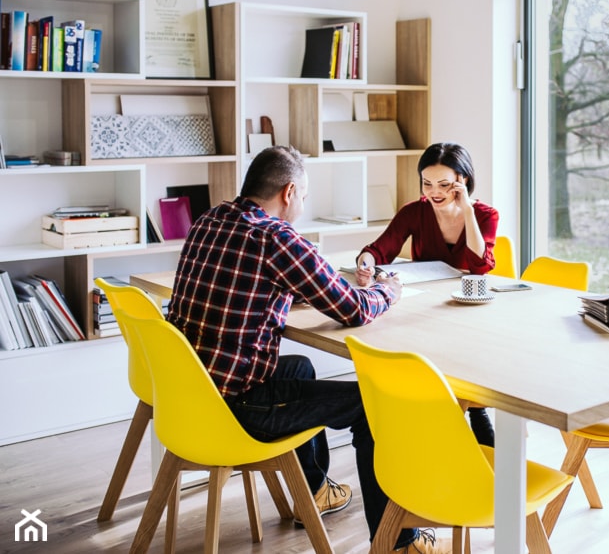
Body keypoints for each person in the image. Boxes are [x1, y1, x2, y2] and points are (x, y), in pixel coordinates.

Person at [167, 145, 447, 554]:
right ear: (289, 191)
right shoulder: (276, 238)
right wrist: (390, 289)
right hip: (237, 407)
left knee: (297, 367)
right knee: (375, 407)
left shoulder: (212, 218)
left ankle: (313, 490)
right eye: (304, 196)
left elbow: (248, 283)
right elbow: (352, 309)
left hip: (189, 397)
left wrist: (300, 289)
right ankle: (398, 543)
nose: (302, 204)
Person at [355, 142, 499, 446]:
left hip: (468, 313)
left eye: (445, 184)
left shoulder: (485, 215)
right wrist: (365, 263)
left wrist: (467, 211)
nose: (434, 192)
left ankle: (477, 412)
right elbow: (382, 248)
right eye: (427, 183)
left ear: (463, 182)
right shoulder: (415, 211)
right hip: (424, 310)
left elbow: (479, 267)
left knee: (467, 368)